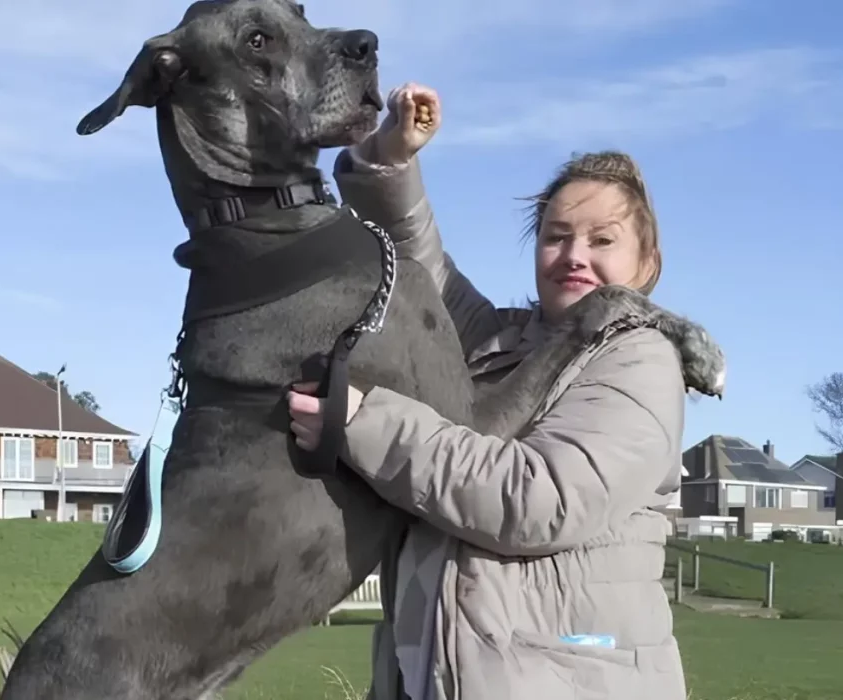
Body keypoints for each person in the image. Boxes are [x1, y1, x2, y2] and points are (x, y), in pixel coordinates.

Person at [287, 83, 696, 700]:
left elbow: (539, 501)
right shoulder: (500, 340)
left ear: (646, 266)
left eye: (602, 240)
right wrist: (391, 157)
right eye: (556, 236)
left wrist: (361, 424)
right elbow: (416, 261)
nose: (573, 256)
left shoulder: (639, 359)